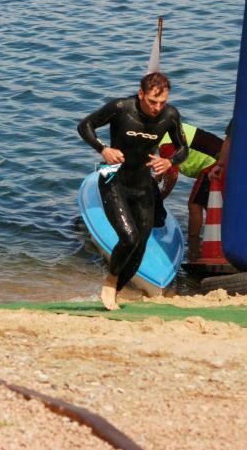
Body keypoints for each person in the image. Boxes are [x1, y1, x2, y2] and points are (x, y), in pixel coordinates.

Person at [78, 72, 188, 310]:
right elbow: (85, 125)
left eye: (162, 102)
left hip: (142, 184)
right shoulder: (121, 108)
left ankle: (114, 293)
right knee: (129, 238)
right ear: (141, 94)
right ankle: (110, 281)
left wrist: (169, 161)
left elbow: (183, 149)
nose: (157, 108)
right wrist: (103, 149)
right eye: (152, 101)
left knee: (140, 247)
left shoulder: (170, 115)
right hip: (112, 178)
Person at [156, 123, 224, 261]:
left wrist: (160, 198)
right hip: (222, 160)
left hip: (213, 165)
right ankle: (215, 245)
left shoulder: (166, 143)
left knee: (194, 205)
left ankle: (194, 250)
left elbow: (172, 176)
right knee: (211, 206)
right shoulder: (171, 126)